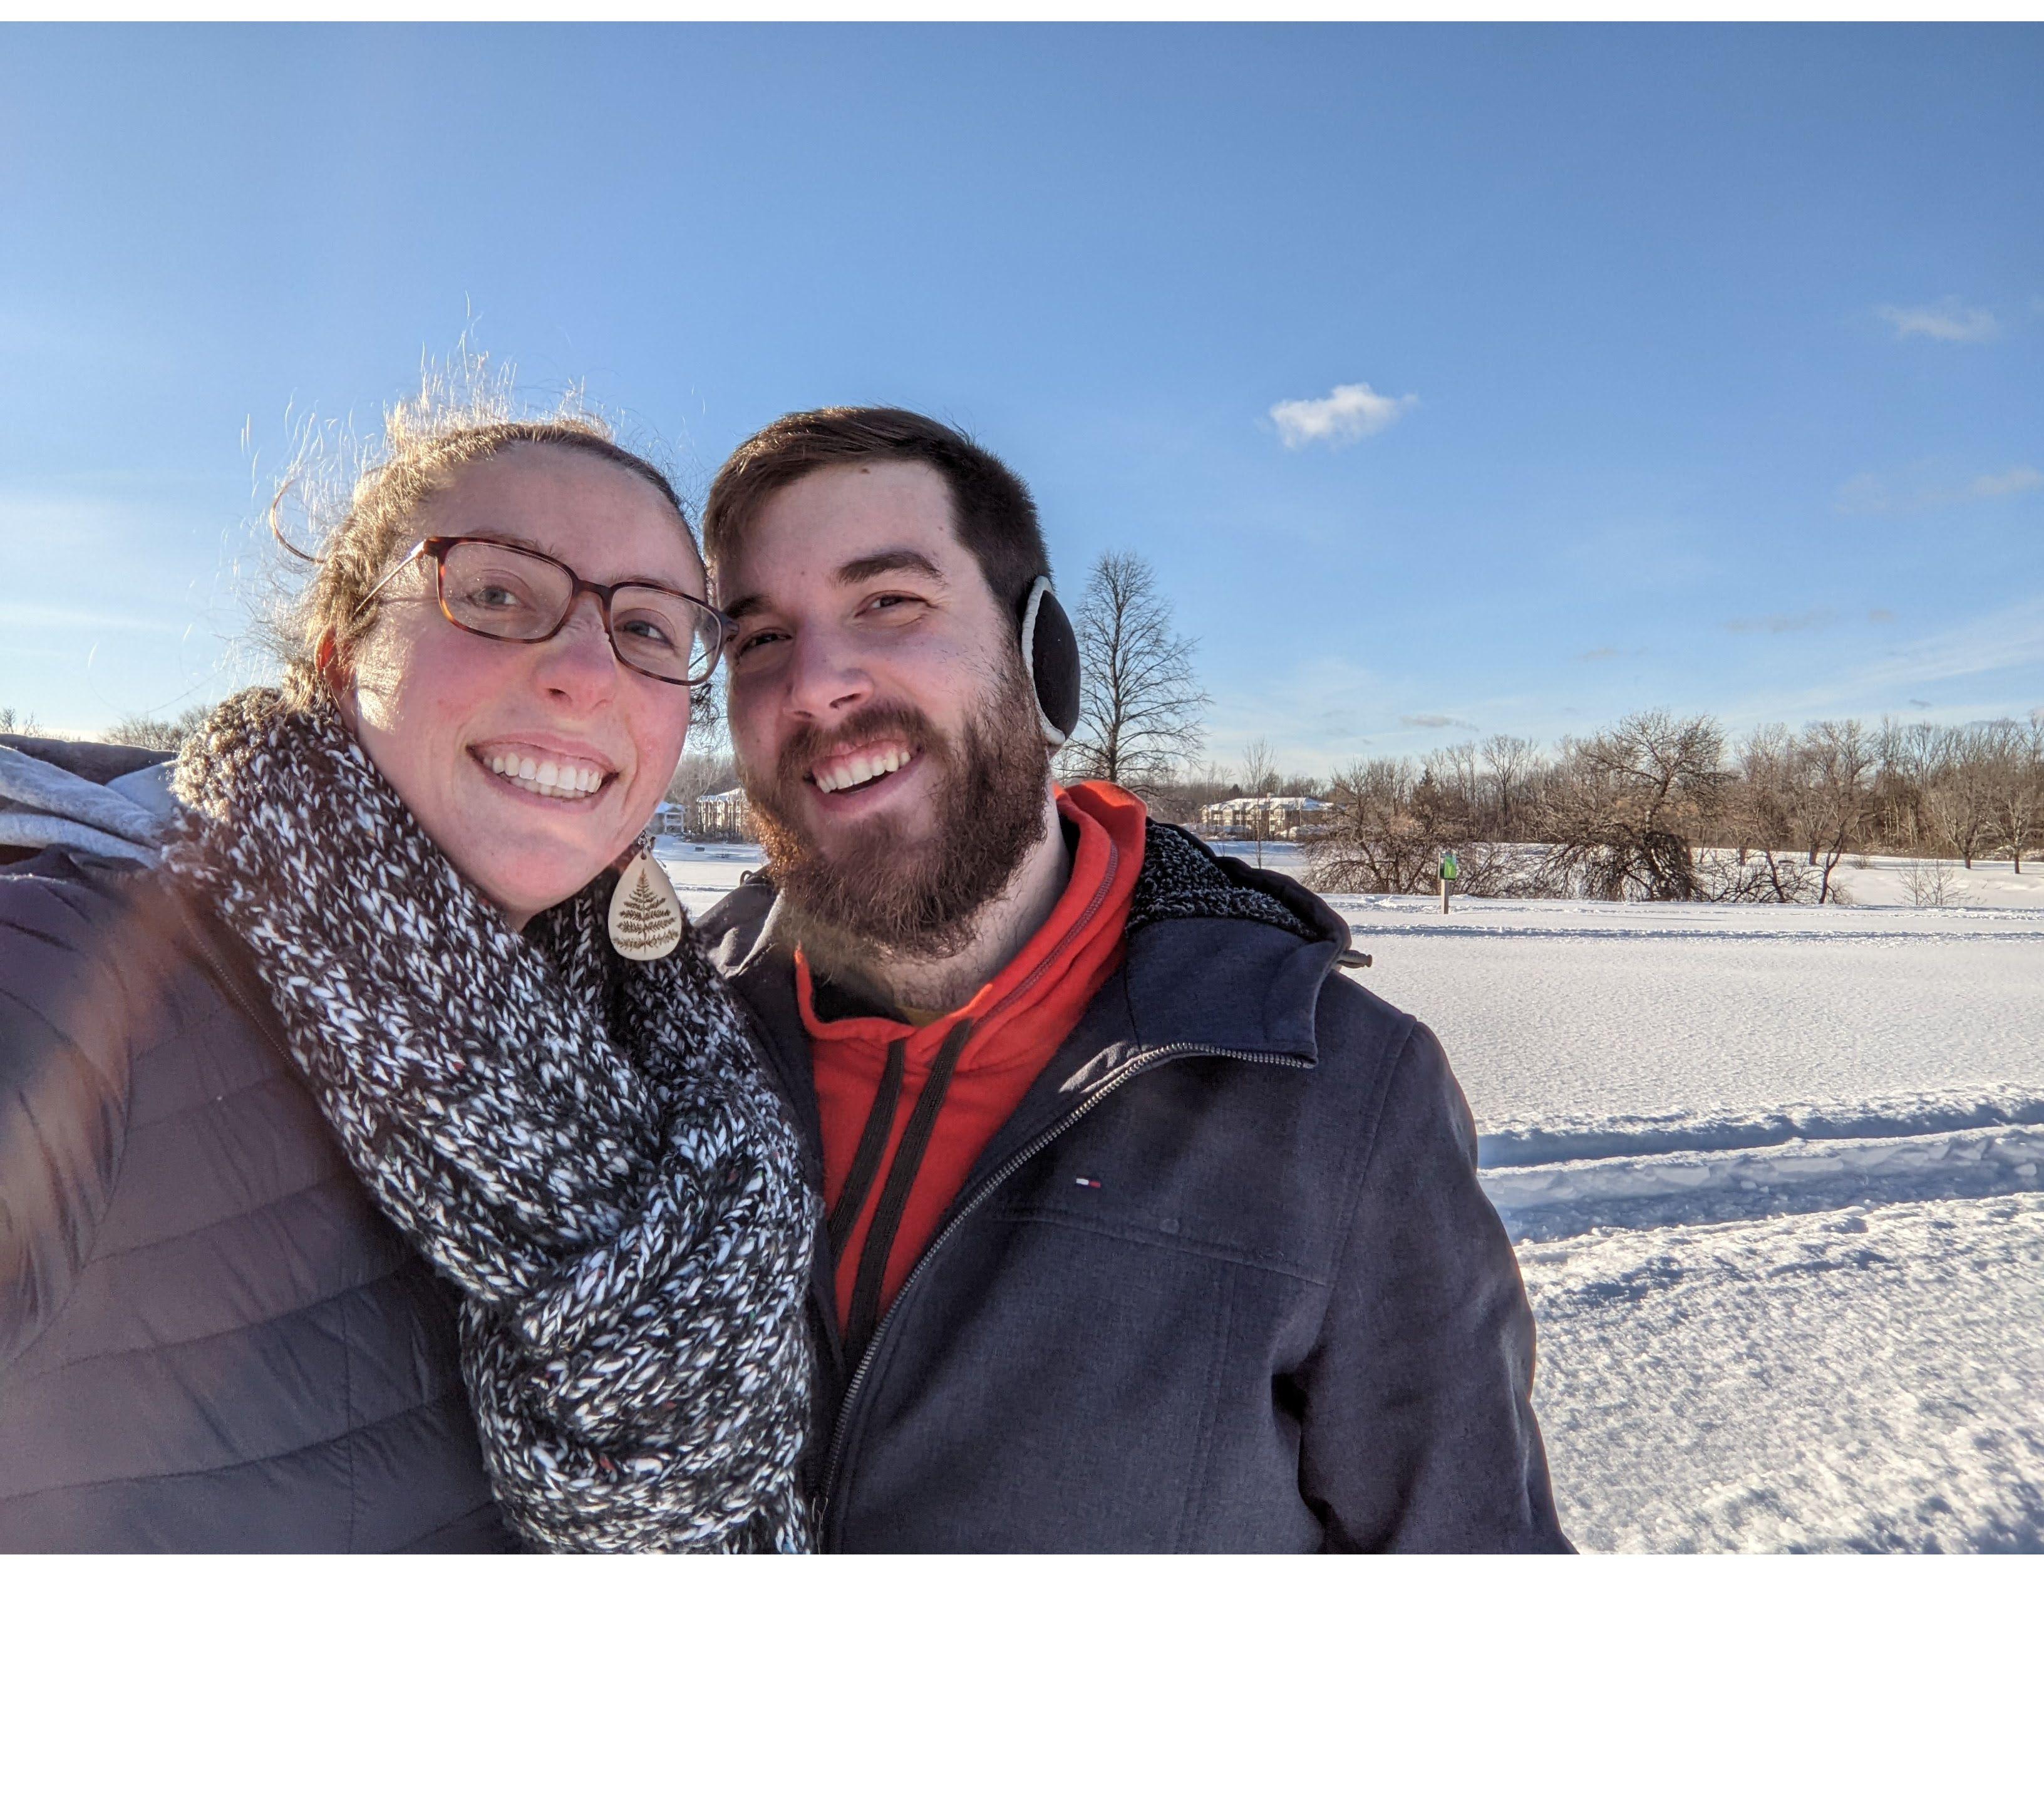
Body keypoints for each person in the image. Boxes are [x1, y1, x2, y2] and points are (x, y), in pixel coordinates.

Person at [697, 406, 1571, 1553]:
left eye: (889, 602)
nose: (816, 684)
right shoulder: (664, 1046)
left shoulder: (1342, 1097)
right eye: (758, 638)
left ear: (1041, 654)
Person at [0, 398, 815, 1553]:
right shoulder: (79, 983)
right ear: (341, 661)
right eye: (493, 593)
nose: (586, 669)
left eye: (647, 629)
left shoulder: (673, 1026)